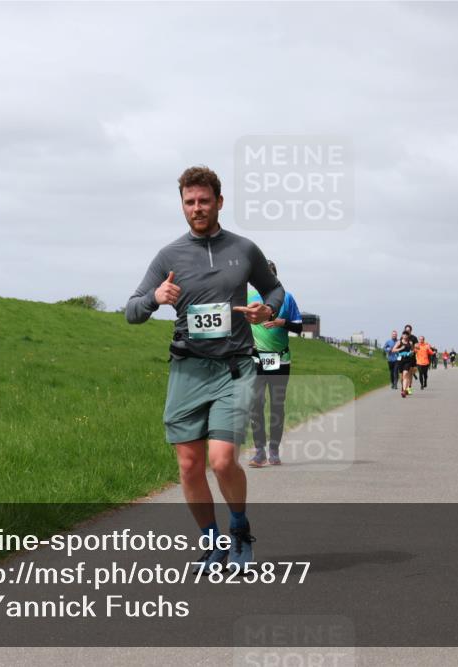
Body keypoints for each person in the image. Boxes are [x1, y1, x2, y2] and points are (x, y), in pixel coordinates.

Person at [126, 165, 284, 571]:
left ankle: (240, 531)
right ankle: (213, 544)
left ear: (219, 202)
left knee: (221, 459)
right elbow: (132, 310)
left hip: (234, 369)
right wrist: (155, 297)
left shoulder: (244, 249)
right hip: (187, 371)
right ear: (182, 204)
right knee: (189, 465)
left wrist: (267, 309)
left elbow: (274, 289)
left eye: (204, 200)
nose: (197, 208)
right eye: (190, 201)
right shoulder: (168, 256)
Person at [247, 260, 303, 468]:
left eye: (268, 275)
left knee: (277, 405)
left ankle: (274, 449)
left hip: (280, 359)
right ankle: (259, 451)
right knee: (256, 405)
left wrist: (282, 323)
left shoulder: (287, 298)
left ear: (275, 278)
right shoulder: (248, 298)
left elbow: (299, 327)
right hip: (256, 358)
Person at [392, 332, 416, 398]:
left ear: (408, 336)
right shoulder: (399, 342)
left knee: (405, 374)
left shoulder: (410, 343)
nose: (405, 336)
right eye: (404, 335)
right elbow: (393, 350)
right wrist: (400, 349)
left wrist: (411, 352)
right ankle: (403, 388)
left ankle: (404, 391)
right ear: (402, 335)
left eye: (406, 335)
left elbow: (412, 350)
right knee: (402, 377)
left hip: (408, 360)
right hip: (400, 360)